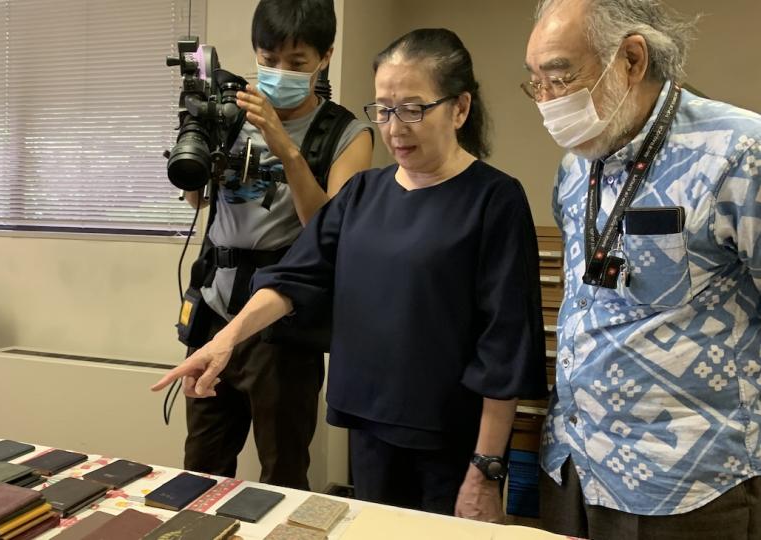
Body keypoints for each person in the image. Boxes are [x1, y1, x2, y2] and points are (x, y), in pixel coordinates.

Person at [156, 28, 546, 520]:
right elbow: (294, 278)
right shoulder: (362, 194)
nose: (394, 127)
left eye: (412, 108)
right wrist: (223, 341)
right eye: (383, 109)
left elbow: (504, 342)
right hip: (368, 425)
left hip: (451, 440)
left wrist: (486, 468)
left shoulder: (494, 200)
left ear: (460, 108)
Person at [525, 1, 761, 538]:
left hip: (688, 483)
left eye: (560, 79)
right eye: (535, 83)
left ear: (631, 59)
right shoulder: (575, 165)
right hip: (573, 464)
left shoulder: (741, 153)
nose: (546, 102)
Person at [178, 0, 373, 490]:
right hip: (215, 307)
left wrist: (285, 147)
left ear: (325, 57)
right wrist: (196, 131)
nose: (279, 72)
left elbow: (330, 231)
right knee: (200, 466)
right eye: (267, 60)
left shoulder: (348, 133)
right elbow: (194, 198)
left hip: (283, 327)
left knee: (282, 471)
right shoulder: (231, 110)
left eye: (296, 63)